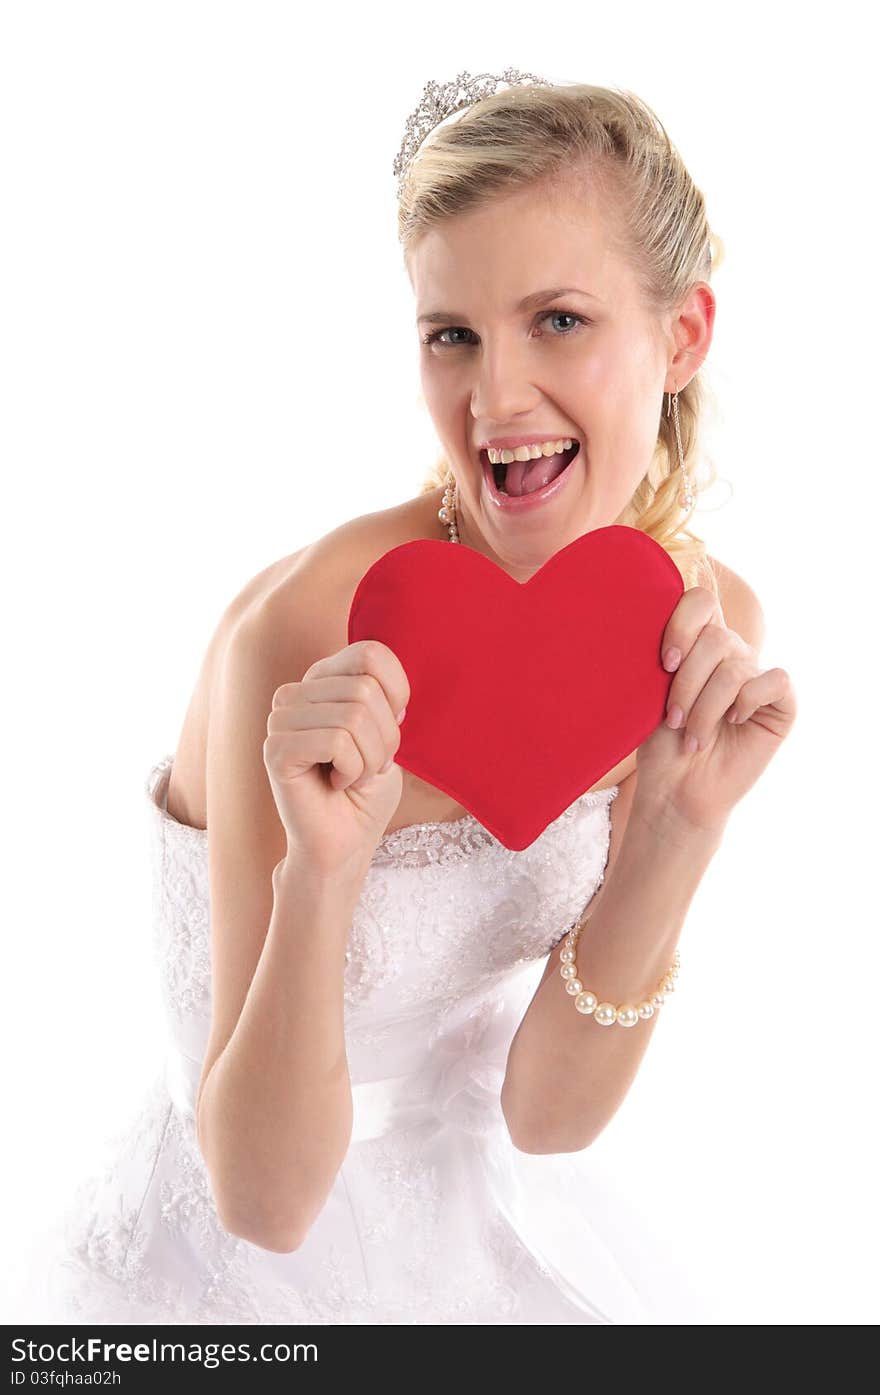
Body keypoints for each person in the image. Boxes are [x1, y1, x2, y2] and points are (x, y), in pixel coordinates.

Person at [32, 73, 796, 1325]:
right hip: (232, 1255)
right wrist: (322, 870)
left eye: (556, 320)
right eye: (453, 333)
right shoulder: (302, 636)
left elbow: (545, 1120)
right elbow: (262, 1209)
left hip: (473, 1223)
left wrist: (673, 830)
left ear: (682, 334)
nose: (494, 402)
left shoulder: (704, 636)